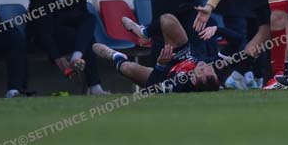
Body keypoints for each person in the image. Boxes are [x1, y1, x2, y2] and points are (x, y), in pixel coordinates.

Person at [28, 0, 107, 95]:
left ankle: (76, 58)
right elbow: (41, 24)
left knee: (89, 18)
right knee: (87, 40)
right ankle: (95, 86)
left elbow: (81, 15)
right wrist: (55, 54)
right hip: (44, 35)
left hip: (69, 32)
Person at [93, 13, 221, 93]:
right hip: (183, 53)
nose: (206, 66)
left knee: (126, 68)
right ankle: (144, 32)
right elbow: (233, 44)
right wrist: (217, 29)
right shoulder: (213, 66)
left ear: (193, 80)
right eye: (212, 71)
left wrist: (160, 65)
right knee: (167, 19)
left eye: (202, 70)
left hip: (163, 74)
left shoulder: (178, 86)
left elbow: (151, 89)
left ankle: (116, 56)